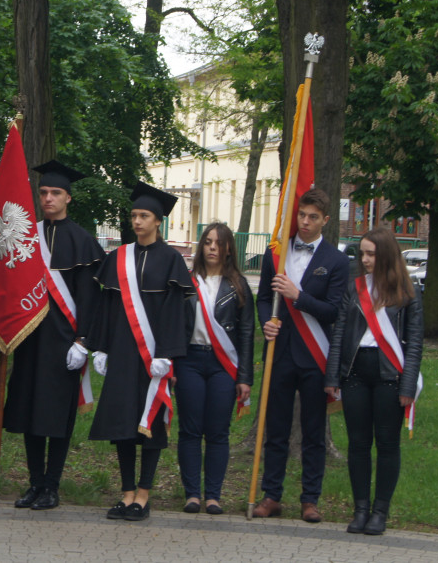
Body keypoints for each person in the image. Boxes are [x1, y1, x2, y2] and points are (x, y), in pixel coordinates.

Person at [88, 182, 192, 522]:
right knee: (123, 424)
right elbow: (106, 307)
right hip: (120, 351)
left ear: (158, 221)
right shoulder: (118, 257)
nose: (137, 221)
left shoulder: (172, 259)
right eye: (134, 215)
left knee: (150, 425)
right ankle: (127, 492)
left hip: (153, 359)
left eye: (144, 216)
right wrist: (100, 347)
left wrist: (168, 354)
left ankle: (144, 495)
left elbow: (176, 311)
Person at [6, 161, 104, 511]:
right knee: (31, 413)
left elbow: (90, 299)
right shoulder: (26, 236)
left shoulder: (82, 241)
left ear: (68, 198)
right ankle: (34, 483)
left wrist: (84, 341)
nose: (48, 198)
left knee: (57, 416)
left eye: (55, 193)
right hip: (30, 339)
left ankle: (52, 486)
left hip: (64, 344)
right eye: (44, 192)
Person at [253, 187, 348, 522]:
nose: (305, 223)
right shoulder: (276, 253)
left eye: (312, 217)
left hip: (314, 356)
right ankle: (272, 495)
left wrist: (298, 295)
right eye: (302, 215)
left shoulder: (336, 261)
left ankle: (310, 499)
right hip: (280, 353)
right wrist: (266, 322)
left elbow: (334, 311)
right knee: (276, 429)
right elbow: (263, 297)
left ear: (325, 220)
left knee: (312, 431)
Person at [325, 227, 423, 536]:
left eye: (371, 254)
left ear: (386, 255)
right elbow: (339, 332)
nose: (365, 260)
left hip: (389, 375)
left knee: (387, 443)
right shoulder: (355, 289)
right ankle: (361, 509)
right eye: (362, 254)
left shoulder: (408, 292)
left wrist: (408, 386)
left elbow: (416, 343)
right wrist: (333, 375)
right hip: (356, 373)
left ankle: (380, 511)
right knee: (358, 443)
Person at [177, 222, 254, 515]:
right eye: (207, 241)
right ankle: (192, 494)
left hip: (224, 365)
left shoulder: (239, 286)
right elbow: (175, 326)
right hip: (190, 362)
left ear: (228, 249)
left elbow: (247, 335)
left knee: (218, 432)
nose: (212, 247)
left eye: (218, 243)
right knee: (190, 430)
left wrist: (245, 377)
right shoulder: (186, 281)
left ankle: (213, 495)